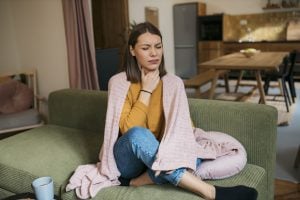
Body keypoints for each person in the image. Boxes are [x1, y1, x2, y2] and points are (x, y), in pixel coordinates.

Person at [66, 22, 258, 200]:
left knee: (191, 148)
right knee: (138, 135)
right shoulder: (118, 82)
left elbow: (182, 127)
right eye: (145, 48)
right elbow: (128, 130)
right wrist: (146, 90)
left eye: (158, 46)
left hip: (156, 154)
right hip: (128, 157)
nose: (154, 53)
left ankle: (136, 182)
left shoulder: (173, 83)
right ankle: (209, 192)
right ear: (132, 50)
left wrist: (183, 143)